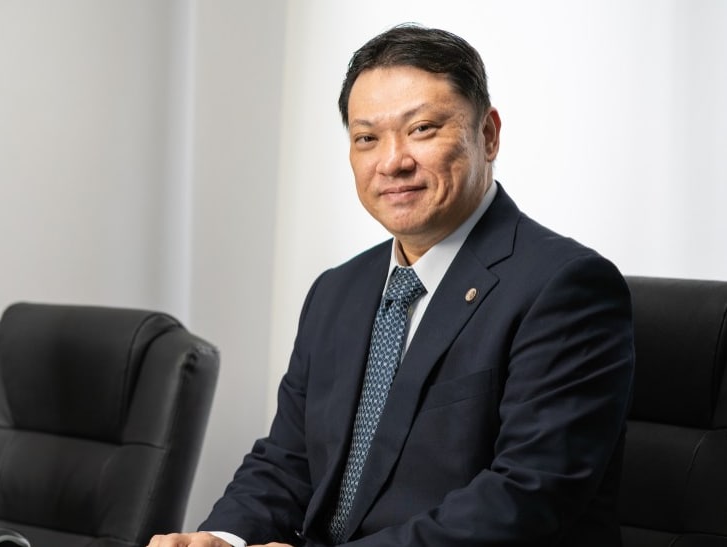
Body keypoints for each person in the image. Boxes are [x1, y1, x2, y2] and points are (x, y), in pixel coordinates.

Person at [150, 23, 634, 546]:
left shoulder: (564, 287)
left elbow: (524, 498)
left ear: (488, 134)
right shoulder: (337, 291)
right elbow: (288, 460)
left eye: (422, 129)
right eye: (367, 138)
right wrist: (222, 538)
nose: (392, 161)